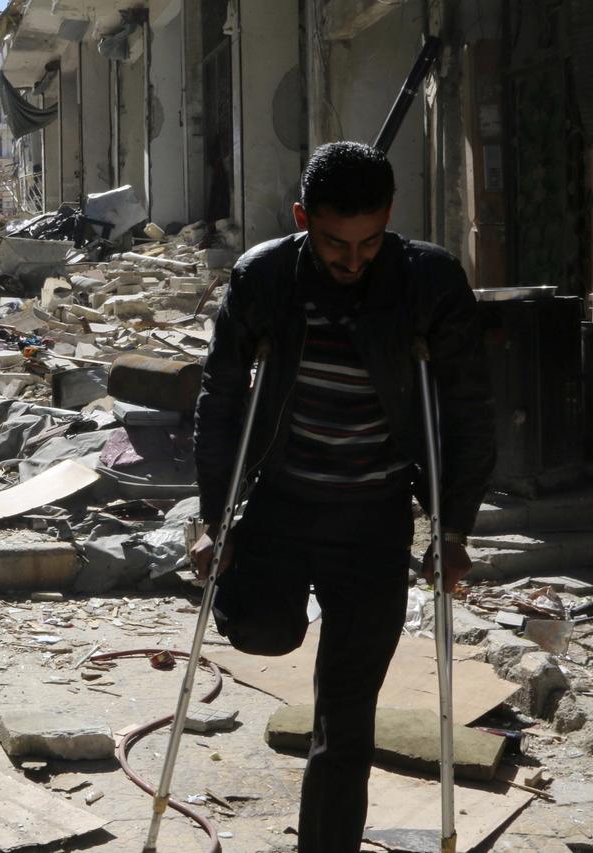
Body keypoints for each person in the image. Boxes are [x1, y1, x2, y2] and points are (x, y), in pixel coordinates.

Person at [189, 141, 495, 852]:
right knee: (264, 630)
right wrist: (215, 518)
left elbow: (469, 408)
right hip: (280, 506)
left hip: (373, 518)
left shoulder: (430, 282)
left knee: (347, 716)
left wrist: (452, 528)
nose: (354, 261)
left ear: (390, 219)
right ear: (302, 217)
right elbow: (222, 397)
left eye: (370, 242)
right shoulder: (264, 277)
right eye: (334, 243)